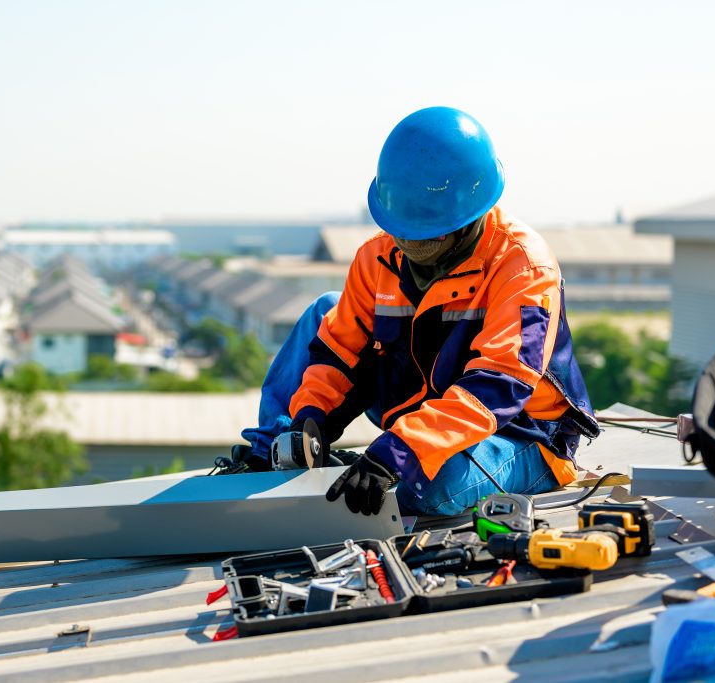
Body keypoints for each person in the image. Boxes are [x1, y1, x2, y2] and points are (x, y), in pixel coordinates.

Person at [240, 106, 600, 516]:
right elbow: (339, 349)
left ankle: (498, 465)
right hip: (425, 406)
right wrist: (311, 416)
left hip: (518, 430)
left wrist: (398, 452)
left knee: (423, 490)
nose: (408, 243)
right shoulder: (377, 257)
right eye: (401, 229)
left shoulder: (523, 266)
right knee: (324, 312)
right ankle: (270, 450)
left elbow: (499, 387)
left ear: (469, 215)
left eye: (424, 234)